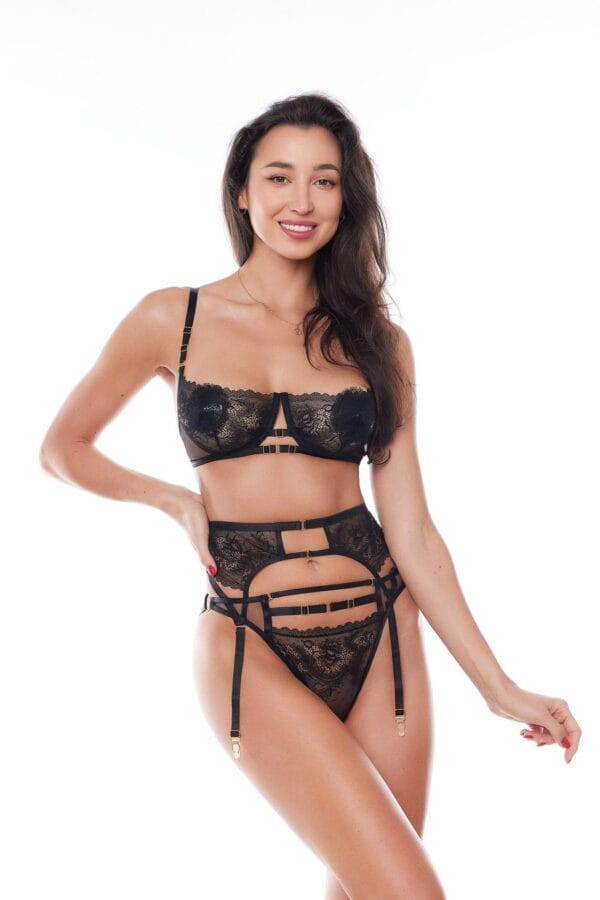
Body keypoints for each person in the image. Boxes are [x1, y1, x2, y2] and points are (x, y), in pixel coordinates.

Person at [39, 92, 581, 900]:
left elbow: (412, 528)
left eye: (324, 181)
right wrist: (174, 501)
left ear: (345, 198)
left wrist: (498, 686)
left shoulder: (377, 340)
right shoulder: (172, 318)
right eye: (279, 177)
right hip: (247, 631)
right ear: (241, 192)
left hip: (382, 631)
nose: (301, 201)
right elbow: (62, 450)